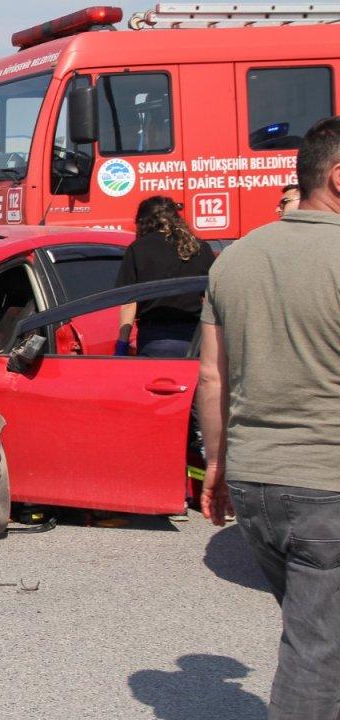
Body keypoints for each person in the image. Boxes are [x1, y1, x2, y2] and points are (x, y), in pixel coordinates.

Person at [198, 115, 340, 720]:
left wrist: (216, 466)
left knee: (320, 636)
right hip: (327, 485)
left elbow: (211, 377)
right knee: (315, 655)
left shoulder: (234, 260)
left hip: (257, 483)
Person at [114, 196, 215, 357]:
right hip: (194, 339)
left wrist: (122, 345)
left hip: (154, 339)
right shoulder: (199, 247)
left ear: (143, 221)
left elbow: (128, 303)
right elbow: (212, 297)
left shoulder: (138, 249)